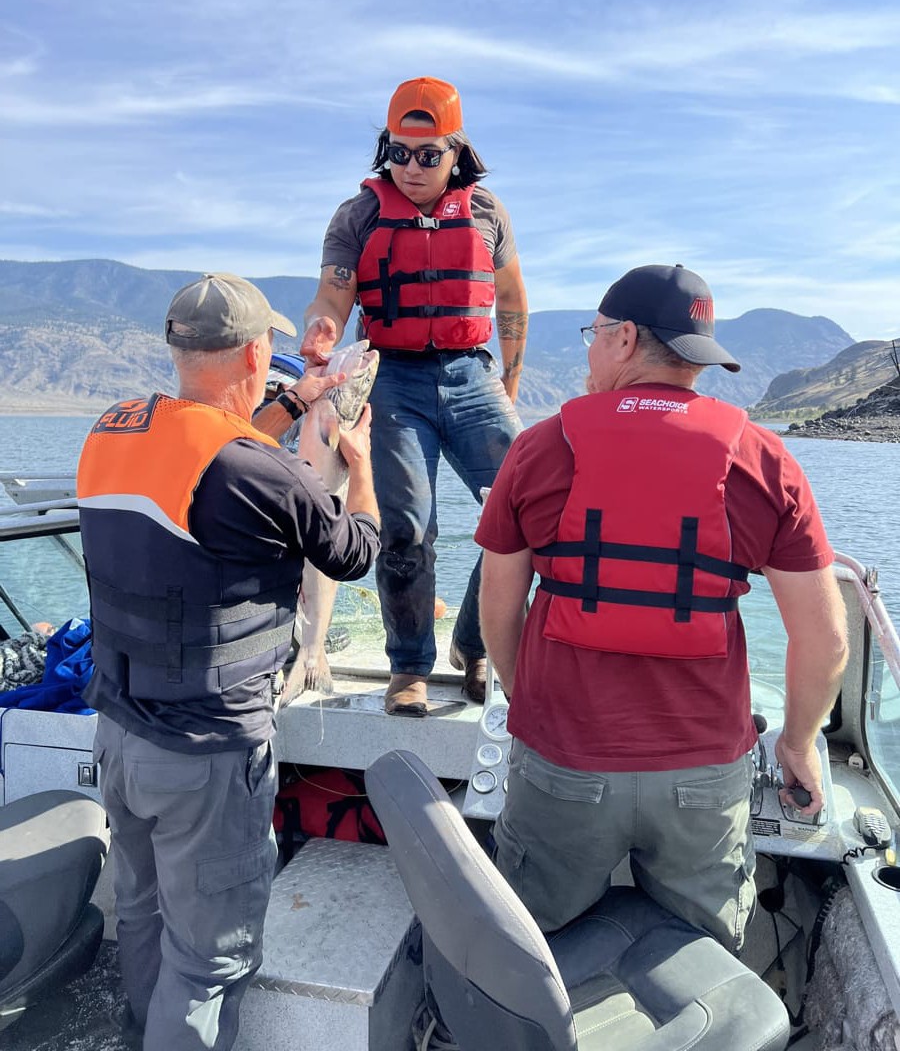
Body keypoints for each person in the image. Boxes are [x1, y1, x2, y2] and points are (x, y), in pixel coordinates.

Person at [475, 263, 848, 953]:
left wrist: (529, 698)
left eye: (592, 335)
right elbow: (825, 641)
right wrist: (797, 742)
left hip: (563, 760)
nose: (589, 350)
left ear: (621, 339)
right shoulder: (763, 457)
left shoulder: (538, 447)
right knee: (699, 954)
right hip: (703, 776)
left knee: (535, 949)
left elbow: (498, 605)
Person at [77, 272, 380, 1051]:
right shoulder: (256, 470)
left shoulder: (112, 430)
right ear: (257, 350)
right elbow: (351, 552)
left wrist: (294, 405)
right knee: (211, 960)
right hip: (207, 755)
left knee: (141, 919)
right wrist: (362, 461)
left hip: (118, 736)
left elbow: (211, 453)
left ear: (178, 347)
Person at [300, 76, 528, 715]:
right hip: (392, 379)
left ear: (456, 151)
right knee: (406, 528)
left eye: (429, 155)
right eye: (398, 152)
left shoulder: (487, 214)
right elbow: (332, 294)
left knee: (534, 508)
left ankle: (475, 643)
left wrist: (506, 384)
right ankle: (408, 667)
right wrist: (323, 323)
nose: (412, 168)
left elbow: (511, 301)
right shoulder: (359, 215)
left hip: (471, 375)